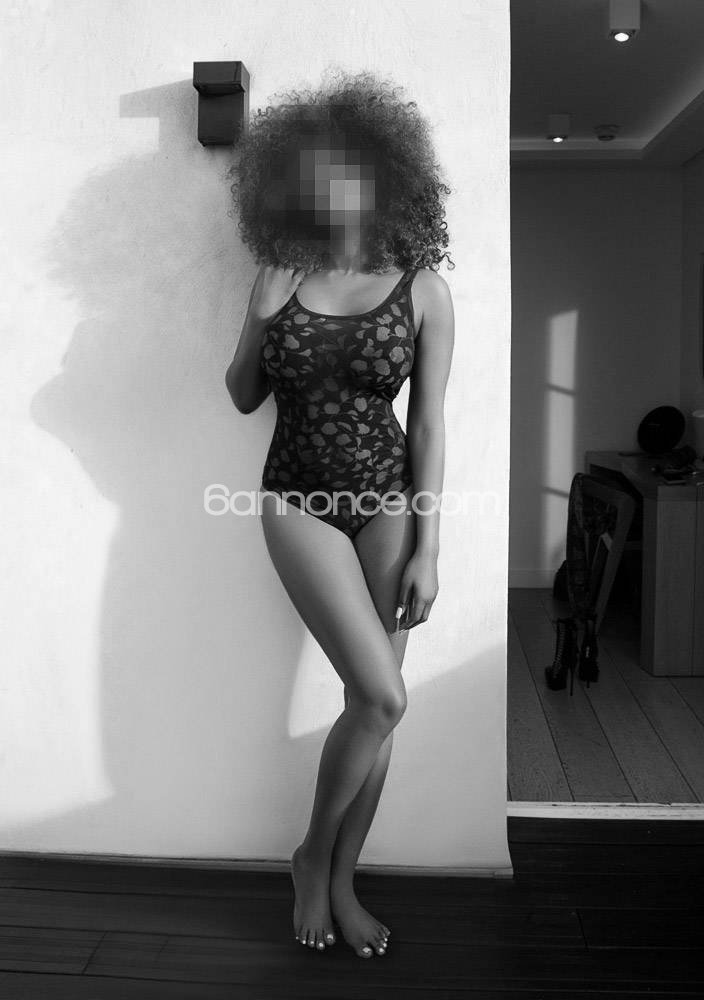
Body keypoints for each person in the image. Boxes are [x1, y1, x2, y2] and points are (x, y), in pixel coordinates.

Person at [225, 69, 455, 959]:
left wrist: (429, 544)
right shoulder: (280, 274)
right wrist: (257, 317)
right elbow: (244, 395)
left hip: (390, 502)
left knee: (377, 709)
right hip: (299, 500)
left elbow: (428, 425)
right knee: (383, 694)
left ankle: (342, 878)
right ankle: (310, 857)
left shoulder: (424, 288)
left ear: (385, 174)